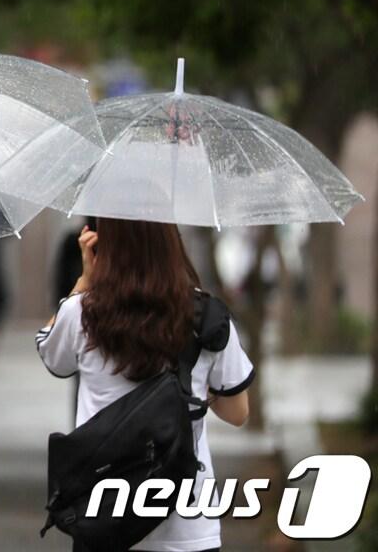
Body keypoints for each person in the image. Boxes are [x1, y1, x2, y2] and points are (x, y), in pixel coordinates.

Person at [36, 220, 255, 552]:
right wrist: (198, 394)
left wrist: (82, 282)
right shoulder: (207, 316)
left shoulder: (82, 311)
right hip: (188, 523)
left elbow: (51, 354)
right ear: (170, 241)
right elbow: (238, 412)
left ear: (103, 245)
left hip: (103, 517)